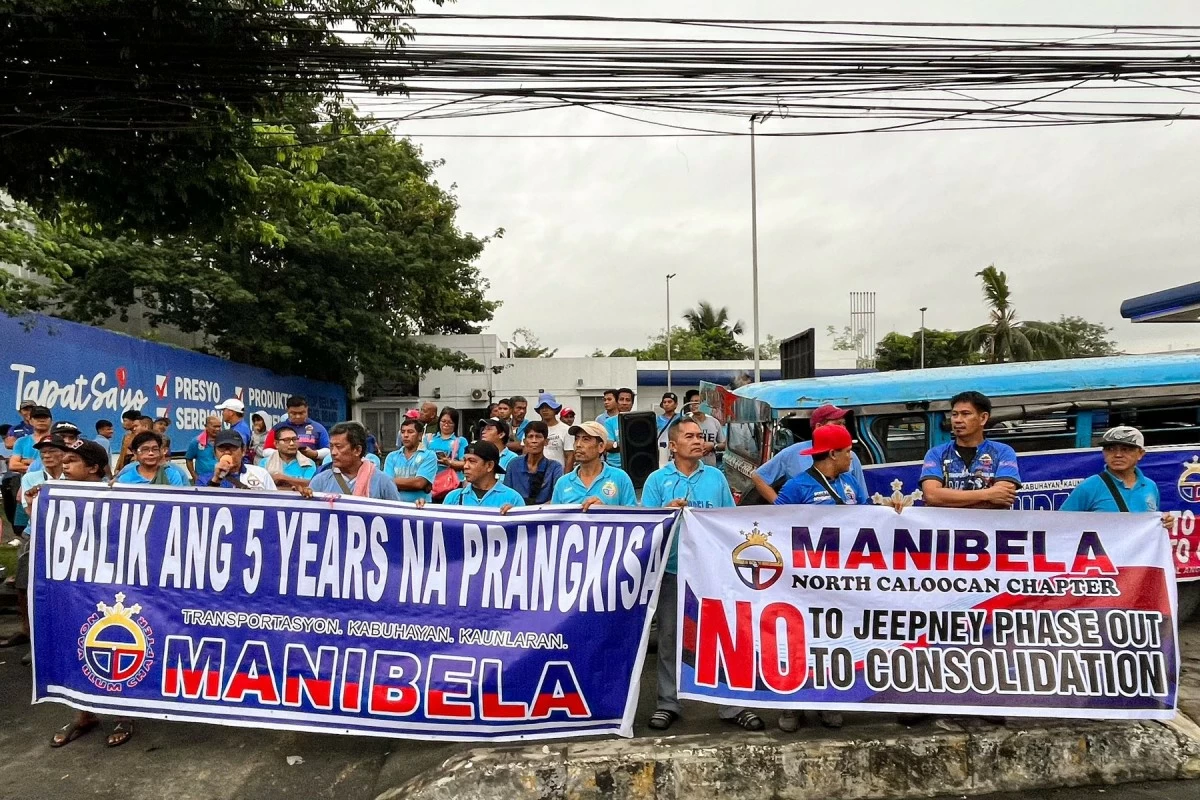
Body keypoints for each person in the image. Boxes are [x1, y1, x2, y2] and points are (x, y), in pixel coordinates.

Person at [642, 419, 763, 733]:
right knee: (669, 639)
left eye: (700, 436)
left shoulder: (716, 478)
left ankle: (733, 703)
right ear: (673, 444)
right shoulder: (657, 480)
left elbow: (728, 522)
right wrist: (665, 511)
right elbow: (645, 527)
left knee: (721, 637)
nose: (698, 441)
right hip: (671, 572)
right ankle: (668, 703)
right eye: (690, 436)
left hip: (711, 574)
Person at [774, 423, 869, 730]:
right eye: (848, 451)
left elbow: (866, 516)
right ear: (832, 453)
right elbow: (773, 523)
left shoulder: (850, 482)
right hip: (802, 579)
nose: (851, 457)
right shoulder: (797, 487)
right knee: (799, 640)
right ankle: (793, 705)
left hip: (840, 578)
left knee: (834, 639)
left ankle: (827, 700)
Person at [45, 438, 137, 748]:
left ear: (93, 467)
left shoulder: (118, 494)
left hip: (114, 585)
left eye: (71, 461)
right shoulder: (60, 494)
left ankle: (124, 714)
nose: (64, 465)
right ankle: (85, 713)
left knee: (117, 644)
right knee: (79, 644)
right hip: (76, 586)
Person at [0, 434, 68, 652]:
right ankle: (28, 632)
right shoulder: (32, 476)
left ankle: (59, 633)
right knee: (23, 582)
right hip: (37, 534)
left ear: (63, 453)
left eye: (52, 451)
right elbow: (30, 513)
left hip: (68, 536)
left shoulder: (74, 477)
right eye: (43, 452)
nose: (47, 455)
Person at [919, 391, 1021, 510]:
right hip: (947, 527)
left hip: (989, 526)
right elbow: (931, 495)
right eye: (954, 414)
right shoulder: (936, 453)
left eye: (965, 414)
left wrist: (948, 499)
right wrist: (987, 494)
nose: (958, 420)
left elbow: (1003, 497)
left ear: (983, 418)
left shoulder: (1003, 452)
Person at [751, 404, 868, 503]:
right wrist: (780, 503)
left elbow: (865, 506)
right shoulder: (793, 460)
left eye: (844, 423)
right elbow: (759, 477)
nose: (843, 428)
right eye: (838, 423)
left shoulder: (850, 479)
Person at [1062, 426, 1172, 523]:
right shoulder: (1089, 486)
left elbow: (1151, 524)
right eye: (1110, 449)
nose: (1118, 455)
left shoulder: (1150, 486)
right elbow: (1062, 523)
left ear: (1140, 454)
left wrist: (1164, 523)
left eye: (1125, 449)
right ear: (1104, 453)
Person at [306, 422, 401, 500]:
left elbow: (398, 516)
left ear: (357, 450)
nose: (333, 452)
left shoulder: (382, 482)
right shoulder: (320, 481)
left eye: (339, 447)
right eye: (331, 446)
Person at [552, 421, 636, 509]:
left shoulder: (620, 477)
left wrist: (605, 511)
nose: (578, 444)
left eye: (586, 439)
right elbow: (554, 519)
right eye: (576, 439)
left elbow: (633, 517)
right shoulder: (562, 483)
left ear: (601, 447)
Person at [435, 441, 525, 510]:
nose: (465, 466)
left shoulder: (513, 498)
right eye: (465, 461)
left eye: (472, 461)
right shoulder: (453, 497)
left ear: (489, 466)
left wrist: (513, 516)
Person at [504, 420, 563, 504]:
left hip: (544, 513)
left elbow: (558, 497)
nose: (534, 441)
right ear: (524, 442)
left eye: (538, 437)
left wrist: (537, 511)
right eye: (530, 437)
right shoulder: (513, 465)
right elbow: (506, 494)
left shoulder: (555, 467)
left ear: (546, 442)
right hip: (517, 512)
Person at [383, 418, 439, 503]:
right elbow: (386, 484)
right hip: (395, 506)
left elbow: (419, 483)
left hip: (420, 506)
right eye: (403, 432)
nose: (405, 435)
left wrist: (393, 481)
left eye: (410, 432)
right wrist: (413, 483)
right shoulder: (392, 456)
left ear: (420, 436)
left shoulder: (429, 455)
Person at [263, 396, 331, 462]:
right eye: (293, 413)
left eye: (301, 413)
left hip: (312, 468)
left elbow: (329, 451)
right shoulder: (277, 428)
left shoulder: (318, 428)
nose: (298, 416)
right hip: (282, 467)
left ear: (307, 409)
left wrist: (315, 453)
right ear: (287, 410)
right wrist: (284, 452)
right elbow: (266, 451)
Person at [200, 431, 276, 490]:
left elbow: (275, 502)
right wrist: (216, 480)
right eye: (222, 448)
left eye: (232, 448)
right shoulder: (203, 480)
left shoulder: (261, 474)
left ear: (243, 451)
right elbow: (202, 505)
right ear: (215, 453)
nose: (227, 452)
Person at [113, 432, 189, 485]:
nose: (151, 453)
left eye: (155, 449)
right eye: (145, 449)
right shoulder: (125, 479)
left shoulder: (171, 475)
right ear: (135, 452)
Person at [424, 407, 468, 493]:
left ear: (455, 424)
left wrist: (449, 462)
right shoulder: (429, 438)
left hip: (452, 483)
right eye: (443, 421)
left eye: (450, 422)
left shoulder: (460, 441)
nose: (446, 424)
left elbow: (465, 463)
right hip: (431, 482)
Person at [683, 390, 726, 467]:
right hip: (689, 467)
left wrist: (713, 446)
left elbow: (724, 444)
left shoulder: (714, 422)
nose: (693, 405)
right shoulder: (685, 422)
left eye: (696, 402)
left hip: (710, 468)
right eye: (691, 402)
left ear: (704, 404)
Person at [534, 392, 575, 471]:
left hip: (557, 473)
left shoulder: (566, 430)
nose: (545, 410)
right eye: (542, 407)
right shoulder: (533, 428)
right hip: (536, 474)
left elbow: (570, 456)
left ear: (555, 409)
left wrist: (565, 478)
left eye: (548, 407)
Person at [8, 405, 52, 477]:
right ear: (30, 421)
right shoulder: (21, 441)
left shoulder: (58, 441)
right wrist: (39, 468)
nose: (41, 420)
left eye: (45, 417)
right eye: (37, 417)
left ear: (51, 421)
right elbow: (13, 465)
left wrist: (27, 462)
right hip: (27, 484)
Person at [602, 387, 636, 470]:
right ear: (617, 402)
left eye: (628, 400)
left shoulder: (639, 421)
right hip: (614, 467)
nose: (624, 403)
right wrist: (630, 444)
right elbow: (607, 446)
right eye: (621, 399)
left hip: (635, 465)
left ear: (632, 403)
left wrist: (616, 444)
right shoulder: (609, 422)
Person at [184, 415, 222, 485]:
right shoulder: (196, 441)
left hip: (221, 479)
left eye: (219, 426)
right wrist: (195, 476)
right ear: (206, 426)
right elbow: (189, 459)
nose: (217, 429)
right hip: (203, 480)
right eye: (214, 426)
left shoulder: (224, 441)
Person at [656, 392, 682, 462]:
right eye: (664, 402)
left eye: (669, 402)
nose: (666, 404)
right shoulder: (657, 419)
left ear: (676, 404)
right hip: (662, 451)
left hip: (678, 449)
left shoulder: (681, 418)